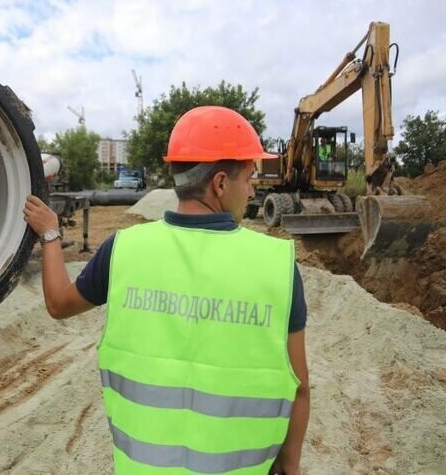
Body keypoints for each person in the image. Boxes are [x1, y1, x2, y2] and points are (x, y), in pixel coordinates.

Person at [23, 106, 310, 474]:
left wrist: (50, 234)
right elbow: (299, 388)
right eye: (250, 178)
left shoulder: (122, 248)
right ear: (220, 183)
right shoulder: (277, 266)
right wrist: (290, 466)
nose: (253, 190)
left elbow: (60, 304)